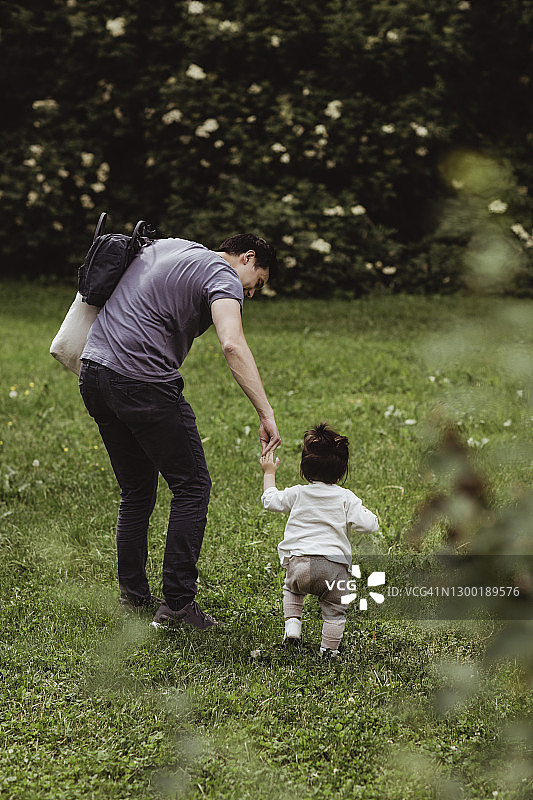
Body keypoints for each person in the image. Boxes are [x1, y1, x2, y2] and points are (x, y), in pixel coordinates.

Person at [79, 232, 281, 630]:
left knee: (136, 488)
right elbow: (232, 344)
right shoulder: (224, 276)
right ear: (247, 258)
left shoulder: (170, 245)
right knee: (192, 486)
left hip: (93, 372)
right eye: (256, 283)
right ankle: (177, 608)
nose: (251, 295)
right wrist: (265, 411)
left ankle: (134, 596)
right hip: (142, 383)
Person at [260, 423, 380, 656]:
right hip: (334, 569)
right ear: (341, 472)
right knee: (335, 610)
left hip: (300, 564)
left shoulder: (298, 493)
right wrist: (373, 517)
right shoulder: (346, 498)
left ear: (304, 468)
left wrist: (269, 473)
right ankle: (329, 651)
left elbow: (270, 500)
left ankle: (293, 627)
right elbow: (368, 525)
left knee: (292, 590)